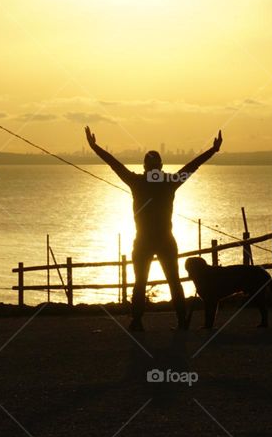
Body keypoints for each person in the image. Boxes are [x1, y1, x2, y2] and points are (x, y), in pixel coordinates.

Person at [85, 126, 222, 331]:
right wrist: (213, 150)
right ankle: (180, 320)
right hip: (165, 239)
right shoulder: (169, 181)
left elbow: (115, 164)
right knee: (173, 281)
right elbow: (193, 166)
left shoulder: (137, 181)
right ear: (160, 166)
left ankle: (137, 320)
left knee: (141, 282)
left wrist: (95, 147)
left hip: (144, 240)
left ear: (145, 167)